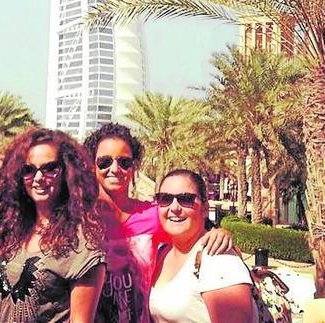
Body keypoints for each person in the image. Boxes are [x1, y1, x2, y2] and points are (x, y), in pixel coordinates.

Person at [83, 123, 233, 323]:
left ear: (134, 166)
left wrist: (221, 233)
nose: (114, 169)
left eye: (124, 162)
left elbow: (194, 238)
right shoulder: (80, 219)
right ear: (92, 165)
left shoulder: (154, 214)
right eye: (104, 161)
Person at [0, 127, 106, 322]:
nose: (38, 178)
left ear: (67, 171)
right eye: (28, 170)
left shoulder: (82, 243)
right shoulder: (10, 228)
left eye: (50, 168)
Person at [149, 169, 255, 322]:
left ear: (205, 208)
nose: (174, 208)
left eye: (185, 199)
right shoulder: (162, 252)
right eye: (165, 198)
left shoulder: (219, 260)